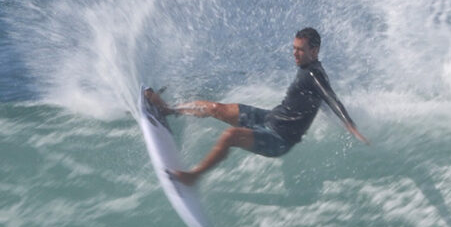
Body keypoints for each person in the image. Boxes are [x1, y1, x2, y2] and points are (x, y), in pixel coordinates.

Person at [144, 27, 369, 186]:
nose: (295, 54)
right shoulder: (307, 69)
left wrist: (350, 125)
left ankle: (194, 176)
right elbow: (322, 102)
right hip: (269, 118)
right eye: (294, 48)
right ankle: (168, 110)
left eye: (300, 50)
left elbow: (330, 98)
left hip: (279, 139)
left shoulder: (314, 74)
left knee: (230, 136)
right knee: (216, 108)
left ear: (315, 50)